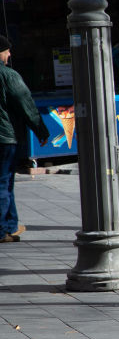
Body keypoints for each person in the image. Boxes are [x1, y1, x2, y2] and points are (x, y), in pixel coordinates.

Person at [0, 36, 49, 243]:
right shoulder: (9, 76)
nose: (9, 54)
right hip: (5, 138)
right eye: (7, 51)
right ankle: (2, 230)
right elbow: (25, 103)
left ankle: (10, 225)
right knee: (4, 182)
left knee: (6, 182)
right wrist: (41, 130)